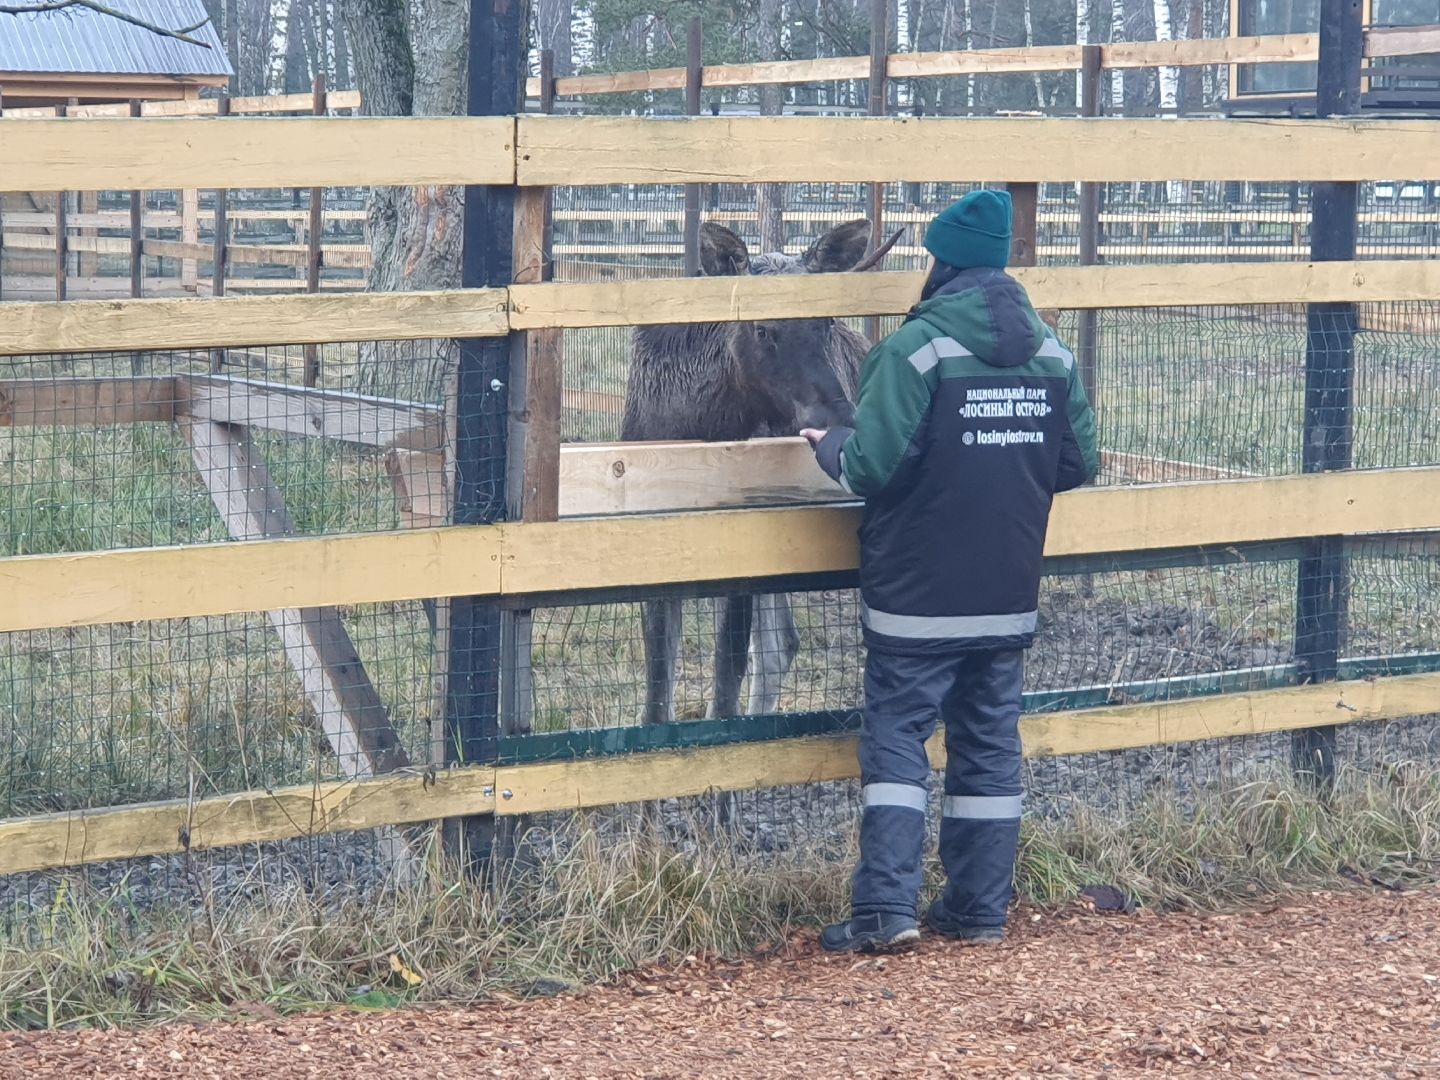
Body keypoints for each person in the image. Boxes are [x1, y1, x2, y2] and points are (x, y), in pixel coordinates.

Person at [800, 189, 1098, 953]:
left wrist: (828, 445)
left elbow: (872, 466)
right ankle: (976, 911)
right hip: (1005, 594)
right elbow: (1078, 463)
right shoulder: (1053, 353)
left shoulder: (915, 351)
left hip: (917, 597)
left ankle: (885, 914)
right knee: (990, 746)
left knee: (898, 744)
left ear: (940, 262)